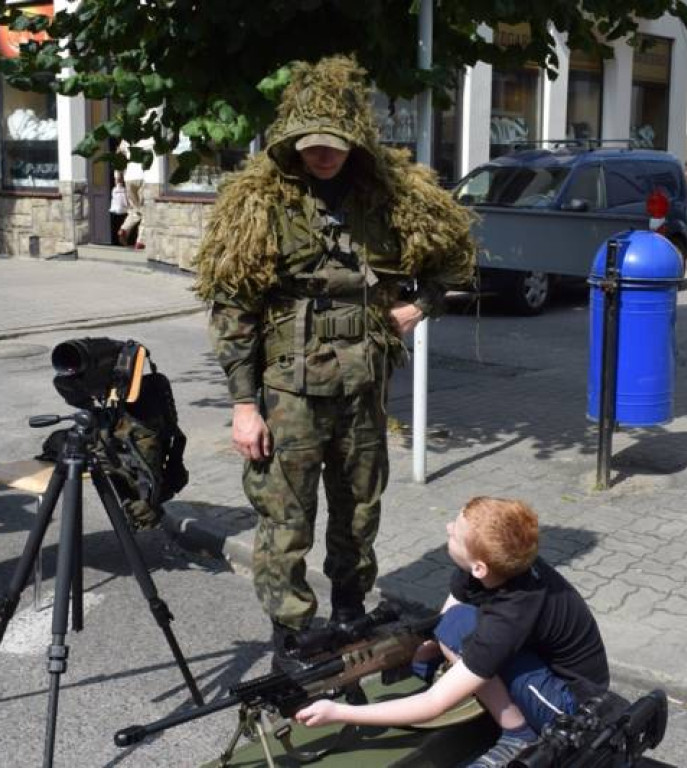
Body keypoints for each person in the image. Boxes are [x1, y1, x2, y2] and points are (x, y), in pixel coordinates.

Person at [195, 56, 475, 668]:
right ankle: (292, 633)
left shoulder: (391, 199)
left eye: (334, 146)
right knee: (285, 517)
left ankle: (349, 609)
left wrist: (420, 306)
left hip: (363, 384)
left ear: (355, 143)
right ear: (292, 144)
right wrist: (244, 407)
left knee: (359, 507)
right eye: (311, 146)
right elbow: (232, 311)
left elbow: (455, 260)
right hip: (288, 390)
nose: (323, 156)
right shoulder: (260, 204)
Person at [294, 497, 610, 768]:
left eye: (455, 534)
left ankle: (519, 734)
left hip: (572, 702)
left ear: (480, 567)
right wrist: (392, 652)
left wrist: (339, 712)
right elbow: (444, 622)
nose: (447, 528)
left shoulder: (511, 614)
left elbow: (434, 703)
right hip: (534, 658)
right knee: (430, 651)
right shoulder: (489, 569)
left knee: (456, 638)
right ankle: (500, 702)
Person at [116, 140, 146, 249]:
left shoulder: (125, 141)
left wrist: (118, 179)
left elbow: (118, 159)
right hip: (143, 177)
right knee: (145, 210)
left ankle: (124, 229)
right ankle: (141, 241)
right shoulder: (146, 137)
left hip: (128, 177)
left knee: (135, 209)